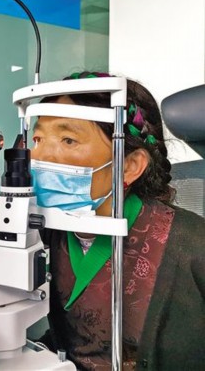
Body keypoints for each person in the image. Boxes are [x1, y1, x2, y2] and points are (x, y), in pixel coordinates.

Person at [30, 71, 205, 370]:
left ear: (129, 166)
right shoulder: (48, 232)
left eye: (68, 140)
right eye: (37, 138)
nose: (39, 156)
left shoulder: (193, 248)